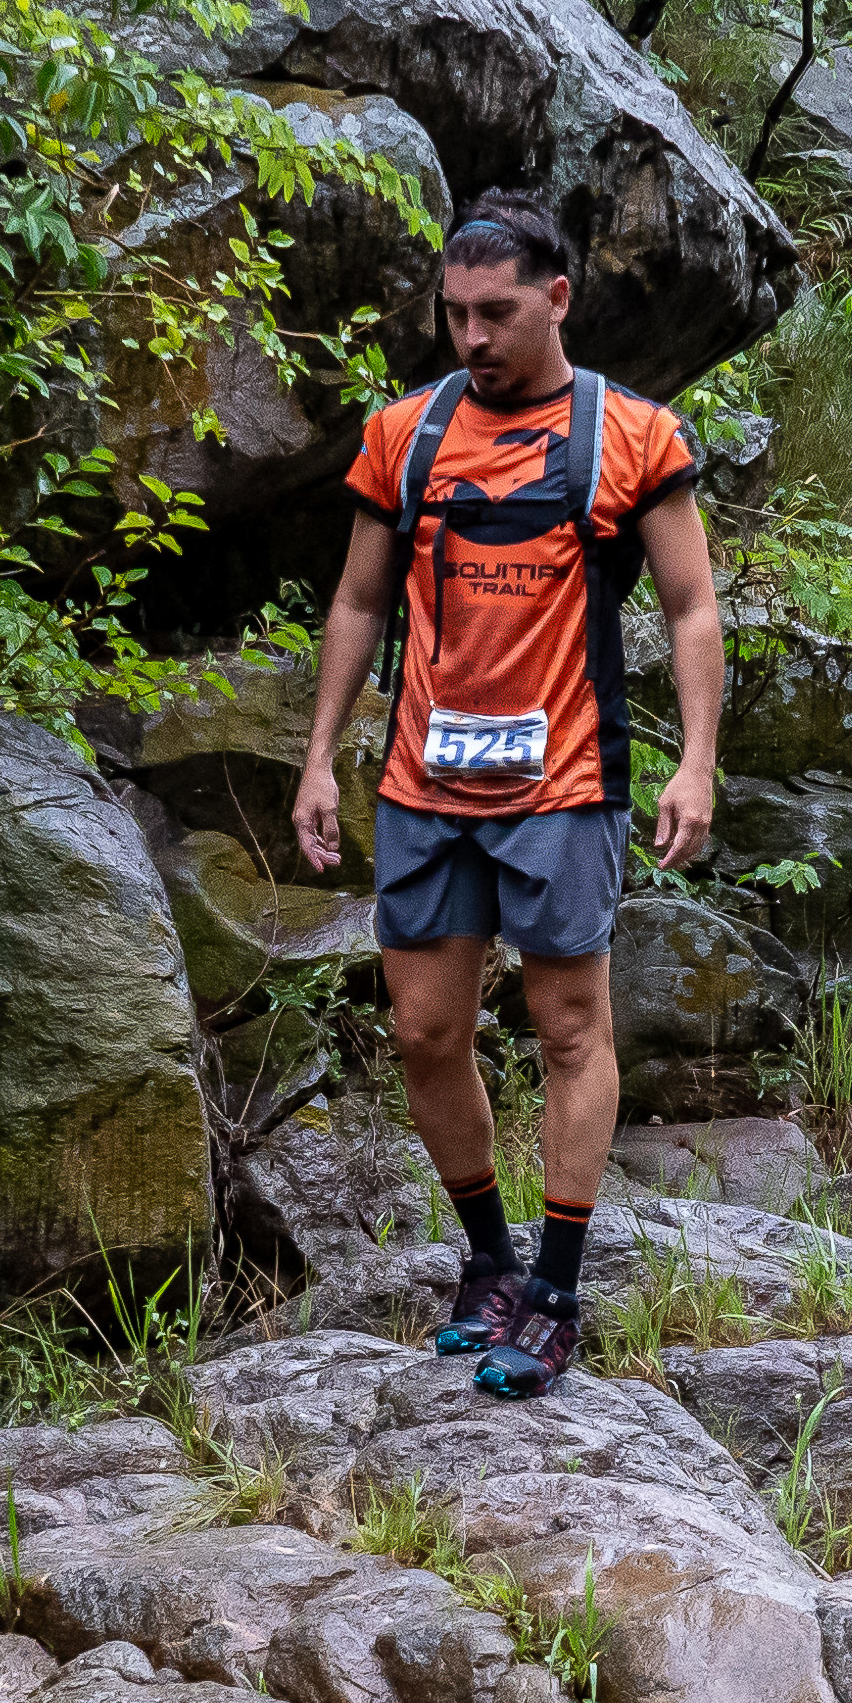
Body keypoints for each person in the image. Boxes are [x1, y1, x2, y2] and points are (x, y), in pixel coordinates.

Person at [289, 187, 728, 1403]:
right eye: (455, 313)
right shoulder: (405, 435)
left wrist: (697, 762)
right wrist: (320, 753)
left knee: (569, 1028)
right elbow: (359, 604)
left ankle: (559, 1289)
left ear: (557, 299)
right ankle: (487, 1261)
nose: (472, 337)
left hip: (568, 778)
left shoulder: (635, 437)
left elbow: (693, 609)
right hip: (425, 780)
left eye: (496, 313)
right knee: (426, 1031)